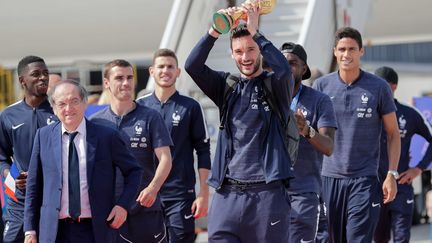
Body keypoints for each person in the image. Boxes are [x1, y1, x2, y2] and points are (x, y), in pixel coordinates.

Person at [185, 3, 294, 242]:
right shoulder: (226, 85)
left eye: (251, 49)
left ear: (260, 51)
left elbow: (285, 71)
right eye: (239, 51)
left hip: (268, 193)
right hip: (227, 194)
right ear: (232, 54)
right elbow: (191, 65)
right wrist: (215, 31)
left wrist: (256, 32)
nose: (246, 57)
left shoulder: (275, 86)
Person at [23, 80, 142, 243]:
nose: (68, 109)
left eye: (74, 101)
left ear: (85, 103)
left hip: (96, 229)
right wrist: (30, 230)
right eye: (62, 104)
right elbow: (33, 186)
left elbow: (134, 171)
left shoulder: (106, 136)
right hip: (54, 232)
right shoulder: (43, 137)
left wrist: (123, 205)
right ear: (54, 108)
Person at [313, 27, 401, 242]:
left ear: (361, 51)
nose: (346, 54)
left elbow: (393, 134)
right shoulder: (321, 86)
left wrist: (391, 174)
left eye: (352, 49)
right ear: (334, 51)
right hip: (328, 179)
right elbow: (311, 135)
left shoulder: (379, 87)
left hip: (364, 179)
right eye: (342, 49)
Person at [90, 59, 172, 243]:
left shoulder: (150, 117)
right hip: (111, 213)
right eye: (119, 78)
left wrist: (153, 188)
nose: (126, 83)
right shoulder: (95, 122)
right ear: (106, 83)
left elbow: (166, 159)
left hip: (145, 210)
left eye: (129, 77)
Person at [137, 49, 211, 243]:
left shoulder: (191, 106)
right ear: (152, 71)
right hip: (146, 194)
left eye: (170, 66)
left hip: (180, 194)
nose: (165, 71)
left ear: (178, 72)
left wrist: (203, 193)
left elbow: (203, 151)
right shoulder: (139, 106)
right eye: (161, 66)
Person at [280, 42, 337, 243]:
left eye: (292, 63)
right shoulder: (267, 97)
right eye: (282, 63)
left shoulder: (319, 101)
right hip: (270, 190)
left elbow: (329, 147)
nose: (287, 68)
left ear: (304, 68)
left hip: (303, 191)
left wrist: (307, 130)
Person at [0, 56, 58, 243]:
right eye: (36, 74)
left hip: (52, 200)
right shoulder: (8, 115)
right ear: (22, 80)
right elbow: (1, 156)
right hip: (20, 203)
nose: (43, 78)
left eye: (45, 73)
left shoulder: (59, 112)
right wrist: (13, 176)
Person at [373, 66, 432, 243]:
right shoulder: (367, 114)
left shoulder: (409, 114)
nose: (379, 90)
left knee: (401, 238)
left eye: (383, 85)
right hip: (373, 187)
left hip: (401, 185)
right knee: (379, 238)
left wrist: (419, 169)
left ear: (394, 86)